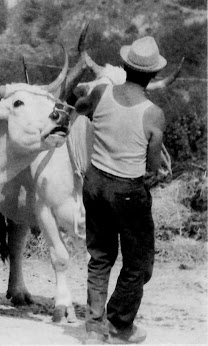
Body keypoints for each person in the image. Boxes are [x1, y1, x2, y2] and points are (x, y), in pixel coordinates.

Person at [74, 36, 167, 344]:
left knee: (100, 256)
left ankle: (94, 328)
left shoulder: (101, 93)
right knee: (139, 262)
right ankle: (119, 323)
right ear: (152, 75)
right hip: (127, 191)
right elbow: (154, 165)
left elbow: (79, 105)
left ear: (125, 67)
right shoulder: (153, 113)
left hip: (95, 183)